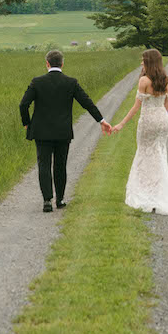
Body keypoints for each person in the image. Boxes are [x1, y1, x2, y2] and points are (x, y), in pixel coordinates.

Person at [20, 49, 112, 212]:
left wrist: (27, 123)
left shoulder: (37, 82)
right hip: (63, 132)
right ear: (62, 64)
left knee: (44, 164)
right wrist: (101, 120)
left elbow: (23, 104)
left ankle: (47, 201)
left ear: (47, 63)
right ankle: (60, 199)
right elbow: (87, 103)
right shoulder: (71, 82)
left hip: (41, 132)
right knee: (60, 165)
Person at [113, 49, 168, 218]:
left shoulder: (144, 80)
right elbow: (166, 104)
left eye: (143, 60)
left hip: (148, 120)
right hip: (163, 120)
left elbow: (136, 107)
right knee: (159, 154)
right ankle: (158, 190)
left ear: (149, 62)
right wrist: (161, 117)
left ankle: (147, 192)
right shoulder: (167, 80)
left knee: (145, 153)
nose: (141, 63)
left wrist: (121, 124)